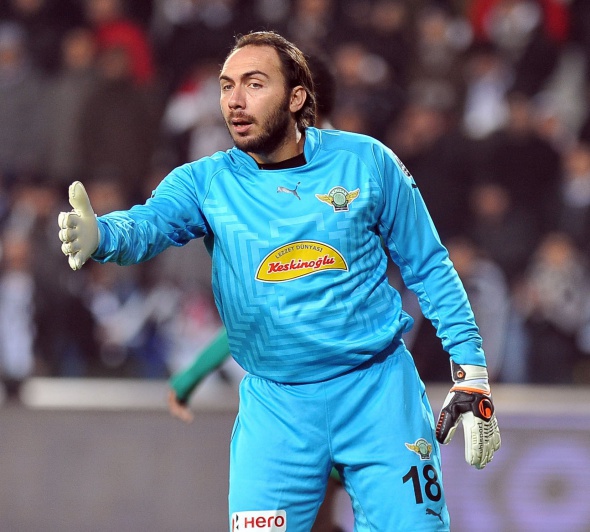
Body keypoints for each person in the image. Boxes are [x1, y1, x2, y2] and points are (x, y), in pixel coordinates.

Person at [58, 30, 500, 531]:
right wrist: (102, 235)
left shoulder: (368, 163)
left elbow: (430, 266)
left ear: (296, 98)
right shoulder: (206, 183)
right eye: (226, 86)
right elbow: (147, 225)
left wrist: (472, 373)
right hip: (277, 411)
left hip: (378, 394)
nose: (235, 100)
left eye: (254, 83)